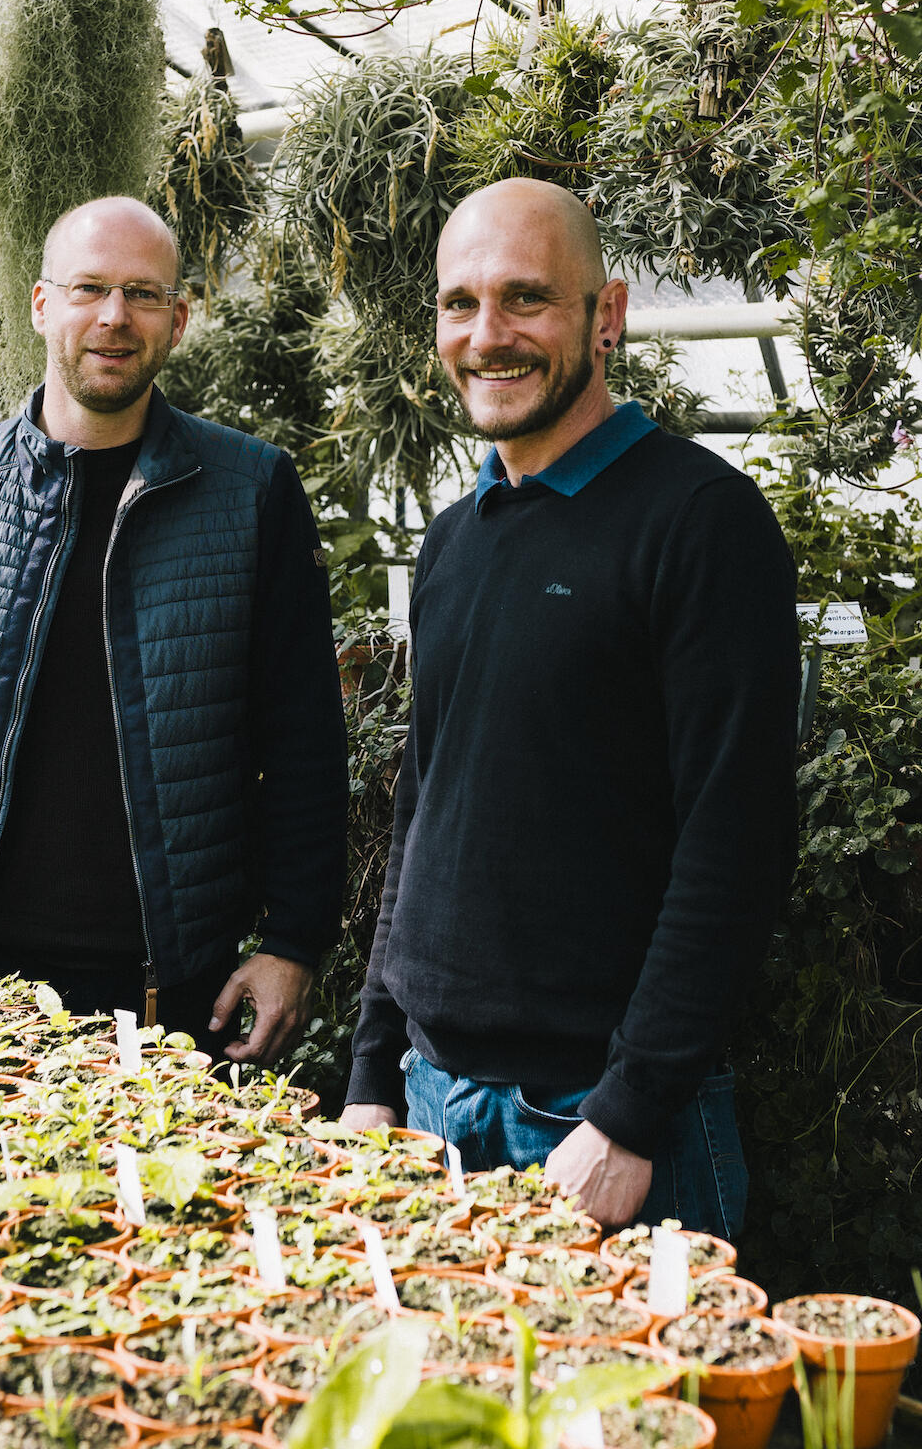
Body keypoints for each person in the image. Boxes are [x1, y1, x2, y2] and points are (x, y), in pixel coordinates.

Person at [341, 178, 799, 1235]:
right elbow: (424, 811)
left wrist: (630, 1117)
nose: (487, 335)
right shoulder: (456, 539)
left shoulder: (700, 523)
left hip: (594, 1125)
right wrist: (373, 1070)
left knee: (626, 1405)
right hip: (430, 1106)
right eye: (460, 304)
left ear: (608, 315)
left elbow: (737, 843)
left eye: (526, 300)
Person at [0, 195, 348, 1061]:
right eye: (90, 288)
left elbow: (302, 741)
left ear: (177, 320)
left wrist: (293, 942)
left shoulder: (251, 493)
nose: (115, 317)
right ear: (42, 305)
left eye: (144, 295)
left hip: (172, 990)